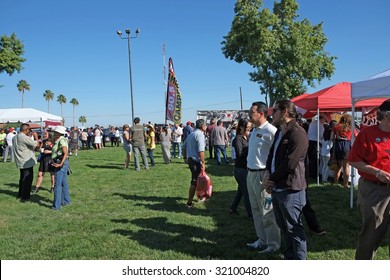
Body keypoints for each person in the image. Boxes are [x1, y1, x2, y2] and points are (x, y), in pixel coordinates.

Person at [264, 99, 309, 260]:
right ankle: (289, 257)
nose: (271, 114)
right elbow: (272, 155)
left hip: (291, 189)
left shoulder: (298, 133)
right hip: (277, 186)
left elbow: (290, 163)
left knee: (294, 229)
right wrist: (267, 172)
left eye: (274, 110)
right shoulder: (279, 131)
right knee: (283, 226)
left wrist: (271, 179)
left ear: (284, 112)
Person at [348, 99, 390, 260]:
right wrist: (377, 172)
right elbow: (353, 160)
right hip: (375, 190)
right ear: (386, 115)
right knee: (371, 234)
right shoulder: (367, 134)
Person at [246, 101, 280, 253]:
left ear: (261, 113)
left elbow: (276, 156)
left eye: (251, 112)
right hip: (251, 173)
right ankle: (262, 240)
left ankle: (273, 244)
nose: (249, 114)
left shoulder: (271, 131)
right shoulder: (254, 130)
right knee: (256, 210)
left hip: (262, 175)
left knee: (267, 211)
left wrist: (270, 176)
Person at [229, 119, 252, 219]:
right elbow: (239, 154)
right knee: (247, 192)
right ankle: (251, 215)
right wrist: (249, 149)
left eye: (250, 128)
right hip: (241, 169)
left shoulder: (246, 138)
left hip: (245, 168)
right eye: (247, 128)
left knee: (241, 191)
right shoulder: (238, 139)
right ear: (242, 127)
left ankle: (232, 208)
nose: (249, 130)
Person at [182, 119, 207, 208]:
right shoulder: (200, 135)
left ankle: (200, 196)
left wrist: (185, 157)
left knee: (200, 179)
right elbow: (201, 151)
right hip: (196, 161)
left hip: (191, 160)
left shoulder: (191, 134)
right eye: (205, 125)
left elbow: (183, 146)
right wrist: (203, 162)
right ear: (203, 126)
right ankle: (189, 203)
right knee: (195, 181)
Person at [12, 123, 39, 202]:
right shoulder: (23, 137)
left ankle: (20, 194)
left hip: (20, 160)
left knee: (22, 178)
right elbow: (35, 144)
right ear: (26, 130)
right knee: (27, 179)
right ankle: (25, 197)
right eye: (29, 130)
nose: (29, 131)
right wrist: (36, 137)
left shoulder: (15, 137)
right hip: (26, 161)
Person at [330, 114, 357, 188]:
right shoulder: (351, 128)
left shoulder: (336, 126)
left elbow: (331, 137)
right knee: (346, 167)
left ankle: (336, 183)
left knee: (338, 166)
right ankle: (345, 184)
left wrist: (338, 138)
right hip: (347, 146)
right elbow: (357, 136)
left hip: (338, 145)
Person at [50, 126, 71, 210]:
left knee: (57, 185)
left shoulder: (61, 140)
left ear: (58, 133)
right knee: (63, 182)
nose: (54, 133)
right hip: (64, 162)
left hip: (60, 163)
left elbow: (65, 152)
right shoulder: (61, 139)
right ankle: (65, 200)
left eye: (55, 132)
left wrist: (60, 164)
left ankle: (56, 205)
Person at [307, 114, 326, 179]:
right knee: (315, 159)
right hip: (316, 142)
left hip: (309, 141)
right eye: (324, 120)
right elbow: (321, 135)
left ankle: (310, 172)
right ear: (322, 119)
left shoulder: (312, 123)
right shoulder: (320, 125)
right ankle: (314, 174)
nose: (324, 121)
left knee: (311, 158)